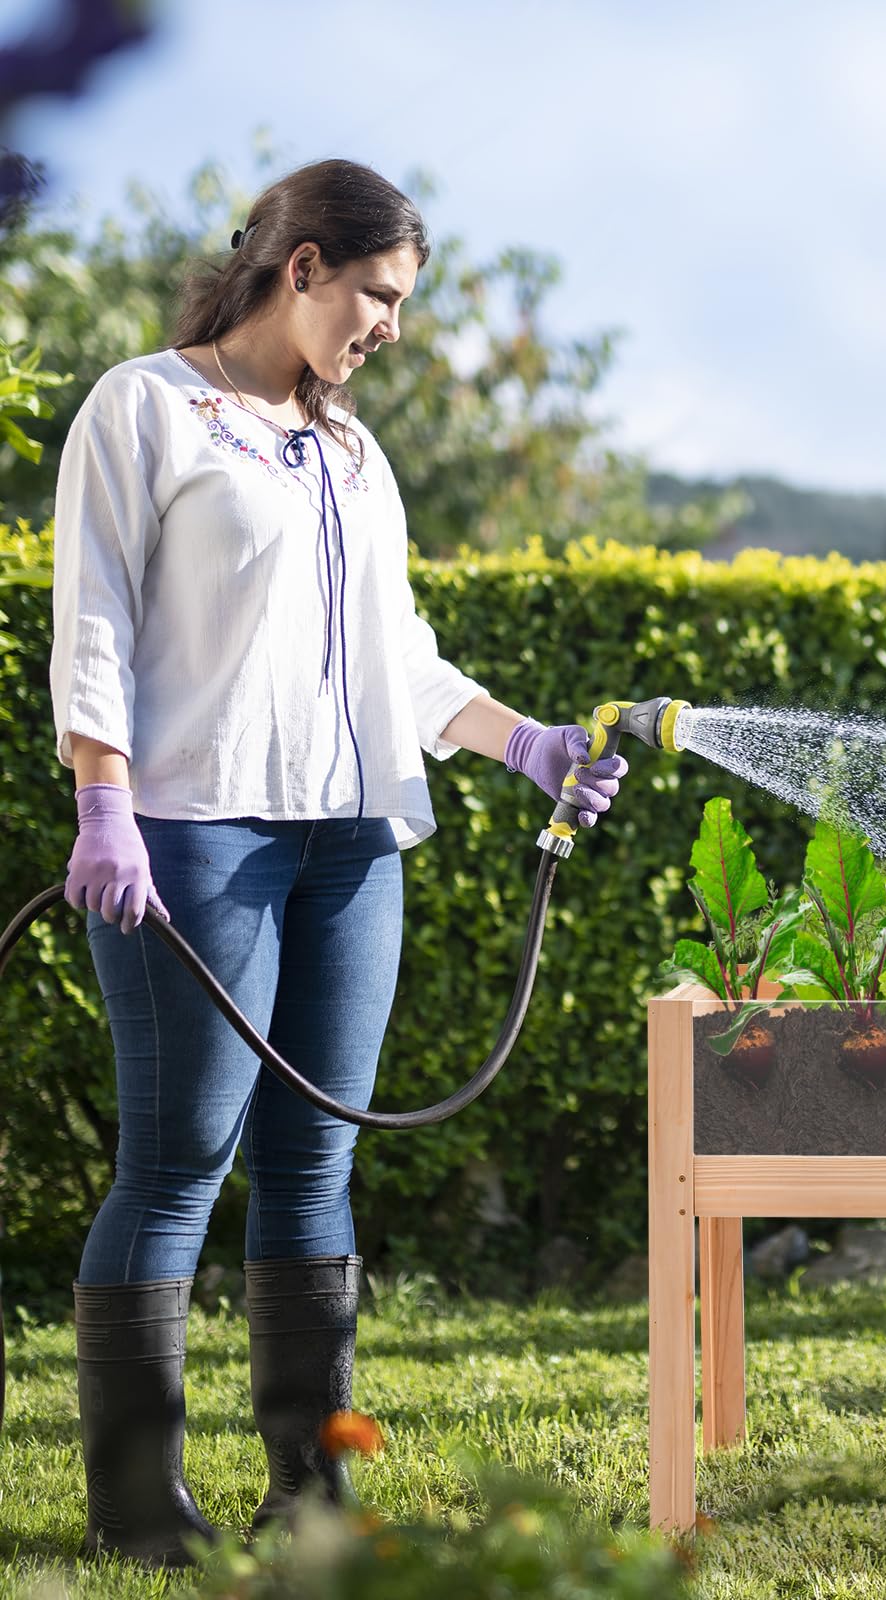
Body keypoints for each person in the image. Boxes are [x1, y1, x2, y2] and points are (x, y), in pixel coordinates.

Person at [48, 157, 627, 1568]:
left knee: (317, 1163)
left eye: (399, 304)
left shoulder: (355, 454)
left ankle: (313, 1493)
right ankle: (137, 1508)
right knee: (181, 1157)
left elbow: (403, 659)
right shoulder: (147, 408)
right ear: (300, 265)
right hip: (194, 832)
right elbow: (98, 621)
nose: (387, 326)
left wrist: (521, 741)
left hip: (355, 838)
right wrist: (102, 799)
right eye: (375, 294)